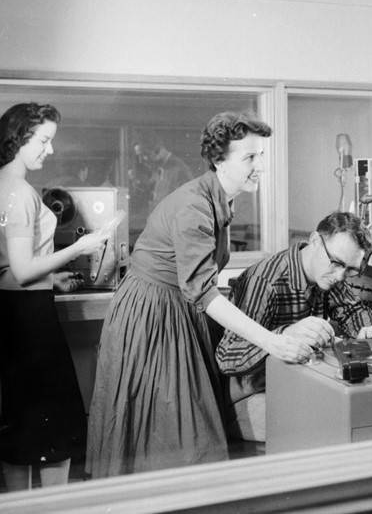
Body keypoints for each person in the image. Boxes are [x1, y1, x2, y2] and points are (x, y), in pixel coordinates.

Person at [86, 111, 314, 478]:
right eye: (249, 158)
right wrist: (273, 342)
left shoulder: (222, 197)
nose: (260, 167)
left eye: (261, 156)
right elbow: (205, 294)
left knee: (182, 432)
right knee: (175, 434)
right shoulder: (194, 205)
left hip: (175, 308)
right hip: (151, 314)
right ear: (219, 160)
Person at [0, 103, 109, 491]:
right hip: (30, 319)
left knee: (21, 422)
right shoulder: (21, 193)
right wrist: (85, 245)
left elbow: (9, 269)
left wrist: (54, 277)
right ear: (19, 138)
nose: (49, 150)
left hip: (11, 314)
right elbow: (23, 269)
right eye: (44, 140)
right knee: (56, 419)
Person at [216, 211, 372, 443]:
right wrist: (283, 335)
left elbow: (354, 311)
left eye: (350, 270)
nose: (340, 276)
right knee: (333, 427)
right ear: (316, 241)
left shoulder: (329, 273)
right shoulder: (265, 281)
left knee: (361, 413)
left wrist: (367, 332)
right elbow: (227, 357)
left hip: (295, 386)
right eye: (337, 264)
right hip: (247, 397)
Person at [132, 129, 194, 209]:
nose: (141, 160)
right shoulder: (158, 171)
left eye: (144, 154)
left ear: (157, 150)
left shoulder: (180, 171)